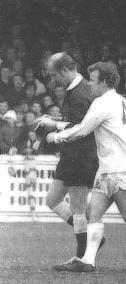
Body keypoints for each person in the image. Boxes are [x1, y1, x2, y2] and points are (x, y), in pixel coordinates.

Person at [44, 62, 126, 272]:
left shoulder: (101, 103)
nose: (90, 85)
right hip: (112, 168)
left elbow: (82, 130)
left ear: (104, 82)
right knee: (94, 214)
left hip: (115, 170)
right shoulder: (122, 101)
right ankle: (88, 260)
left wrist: (56, 136)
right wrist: (124, 150)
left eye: (93, 81)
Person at [33, 53, 100, 268]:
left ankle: (81, 257)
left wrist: (54, 129)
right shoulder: (75, 91)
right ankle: (90, 240)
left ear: (64, 71)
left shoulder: (81, 94)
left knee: (79, 209)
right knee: (52, 200)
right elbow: (73, 121)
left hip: (81, 156)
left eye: (54, 75)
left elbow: (81, 129)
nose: (53, 80)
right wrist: (51, 120)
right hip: (70, 155)